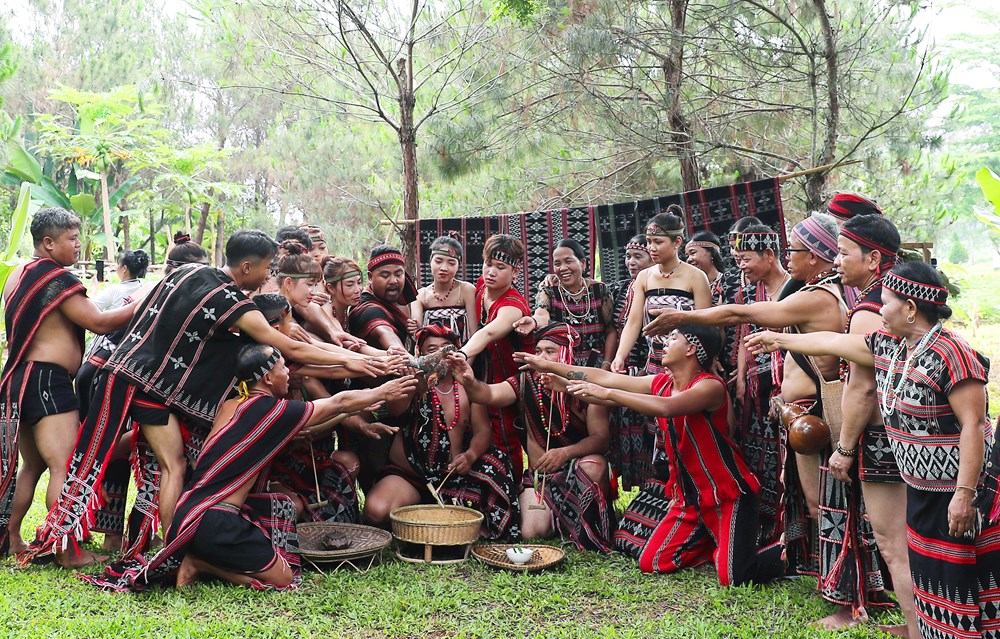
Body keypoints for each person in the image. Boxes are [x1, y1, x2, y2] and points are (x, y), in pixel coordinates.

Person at [19, 230, 396, 565]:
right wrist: (363, 363)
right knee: (166, 466)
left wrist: (363, 359)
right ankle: (172, 550)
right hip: (148, 385)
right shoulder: (230, 300)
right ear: (247, 267)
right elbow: (290, 348)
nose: (267, 276)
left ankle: (140, 542)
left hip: (129, 375)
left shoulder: (187, 272)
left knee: (105, 459)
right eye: (266, 268)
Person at [645, 212, 894, 627]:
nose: (787, 256)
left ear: (814, 255)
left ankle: (852, 603)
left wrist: (686, 318)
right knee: (822, 506)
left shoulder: (818, 297)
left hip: (819, 416)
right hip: (805, 414)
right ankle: (844, 588)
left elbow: (740, 314)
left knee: (830, 507)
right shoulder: (822, 291)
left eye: (793, 249)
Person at [747, 262, 998, 639]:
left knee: (963, 577)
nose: (879, 310)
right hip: (922, 489)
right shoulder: (892, 347)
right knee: (932, 576)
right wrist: (780, 340)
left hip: (957, 491)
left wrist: (964, 495)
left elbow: (974, 427)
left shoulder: (952, 353)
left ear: (910, 308)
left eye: (886, 302)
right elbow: (831, 342)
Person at [81, 344, 417, 592]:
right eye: (283, 367)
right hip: (216, 520)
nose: (289, 373)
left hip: (189, 513)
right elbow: (338, 401)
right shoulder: (271, 409)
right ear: (268, 377)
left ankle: (202, 554)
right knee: (284, 580)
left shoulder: (233, 405)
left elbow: (315, 422)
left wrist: (359, 409)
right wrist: (383, 390)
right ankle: (201, 562)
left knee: (279, 505)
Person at [520, 324, 784, 586]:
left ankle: (783, 553)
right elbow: (605, 378)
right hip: (690, 498)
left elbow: (666, 407)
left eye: (673, 338)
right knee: (653, 561)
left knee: (735, 578)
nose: (664, 343)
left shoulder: (710, 386)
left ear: (691, 349)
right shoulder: (662, 383)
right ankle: (718, 545)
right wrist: (553, 369)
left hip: (727, 494)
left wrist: (609, 394)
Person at [0, 208, 136, 563]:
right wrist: (145, 304)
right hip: (47, 380)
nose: (78, 245)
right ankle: (66, 551)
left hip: (20, 378)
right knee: (64, 466)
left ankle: (11, 539)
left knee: (33, 465)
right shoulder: (55, 278)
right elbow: (99, 322)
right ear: (48, 243)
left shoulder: (19, 274)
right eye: (72, 239)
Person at [819, 213, 915, 637]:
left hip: (880, 438)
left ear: (873, 259)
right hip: (908, 433)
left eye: (843, 253)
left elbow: (863, 388)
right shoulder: (901, 299)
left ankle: (917, 630)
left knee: (894, 545)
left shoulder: (869, 310)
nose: (836, 261)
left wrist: (844, 448)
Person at [451, 323, 615, 552]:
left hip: (580, 468)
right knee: (530, 531)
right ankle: (561, 519)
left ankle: (584, 525)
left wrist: (565, 453)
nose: (541, 357)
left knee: (593, 465)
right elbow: (489, 394)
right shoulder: (525, 381)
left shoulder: (586, 386)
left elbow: (601, 439)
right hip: (542, 478)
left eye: (550, 351)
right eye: (538, 351)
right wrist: (470, 382)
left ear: (567, 354)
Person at [363, 324, 519, 540]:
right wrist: (415, 385)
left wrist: (470, 456)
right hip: (411, 475)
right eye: (432, 349)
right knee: (376, 511)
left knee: (496, 463)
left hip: (453, 476)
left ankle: (439, 510)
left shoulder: (468, 384)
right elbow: (396, 410)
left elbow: (483, 432)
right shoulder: (410, 381)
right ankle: (420, 505)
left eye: (447, 348)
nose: (441, 354)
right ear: (420, 355)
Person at [457, 234, 532, 480]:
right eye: (488, 264)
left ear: (515, 272)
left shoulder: (513, 305)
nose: (491, 272)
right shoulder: (481, 287)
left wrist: (462, 354)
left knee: (506, 436)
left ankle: (513, 486)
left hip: (514, 378)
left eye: (500, 267)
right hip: (485, 371)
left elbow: (488, 332)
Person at [612, 207, 712, 376]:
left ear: (677, 242)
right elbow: (634, 322)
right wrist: (620, 356)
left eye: (658, 242)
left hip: (688, 366)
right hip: (654, 365)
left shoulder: (696, 276)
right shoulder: (644, 277)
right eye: (649, 241)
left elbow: (706, 324)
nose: (651, 248)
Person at [515, 238, 617, 366]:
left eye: (568, 261)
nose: (563, 268)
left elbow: (610, 330)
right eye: (557, 264)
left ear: (583, 263)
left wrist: (607, 363)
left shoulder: (600, 290)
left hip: (597, 367)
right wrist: (534, 322)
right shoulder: (548, 290)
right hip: (561, 367)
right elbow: (542, 314)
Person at [608, 234, 655, 490]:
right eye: (628, 256)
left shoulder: (658, 290)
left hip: (651, 371)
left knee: (652, 435)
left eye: (638, 256)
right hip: (623, 372)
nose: (631, 262)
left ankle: (656, 492)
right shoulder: (618, 290)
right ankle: (639, 495)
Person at [409, 235, 478, 342]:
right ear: (430, 262)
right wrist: (413, 328)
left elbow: (474, 334)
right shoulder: (420, 296)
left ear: (458, 266)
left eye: (451, 263)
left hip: (464, 351)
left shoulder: (466, 290)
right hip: (430, 351)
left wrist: (465, 354)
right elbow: (417, 336)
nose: (444, 268)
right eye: (438, 261)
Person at [348, 244, 416, 352]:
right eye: (385, 275)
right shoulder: (367, 310)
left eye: (398, 274)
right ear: (370, 277)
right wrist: (404, 356)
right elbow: (385, 333)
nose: (393, 281)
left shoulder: (401, 301)